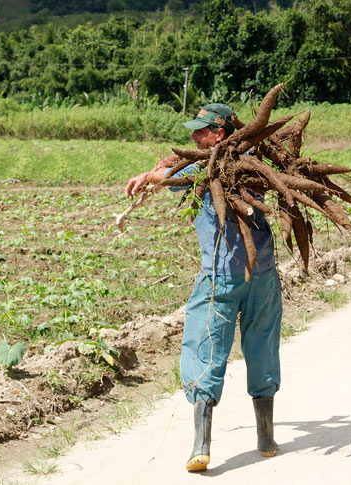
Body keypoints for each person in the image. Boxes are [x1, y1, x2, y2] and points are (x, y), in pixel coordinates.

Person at [124, 103, 282, 472]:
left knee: (203, 349)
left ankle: (201, 445)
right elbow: (173, 167)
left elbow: (169, 176)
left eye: (201, 131)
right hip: (264, 275)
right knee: (262, 348)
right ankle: (266, 439)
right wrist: (158, 168)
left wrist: (149, 175)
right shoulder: (255, 161)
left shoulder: (209, 167)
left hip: (220, 279)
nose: (194, 137)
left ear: (220, 134)